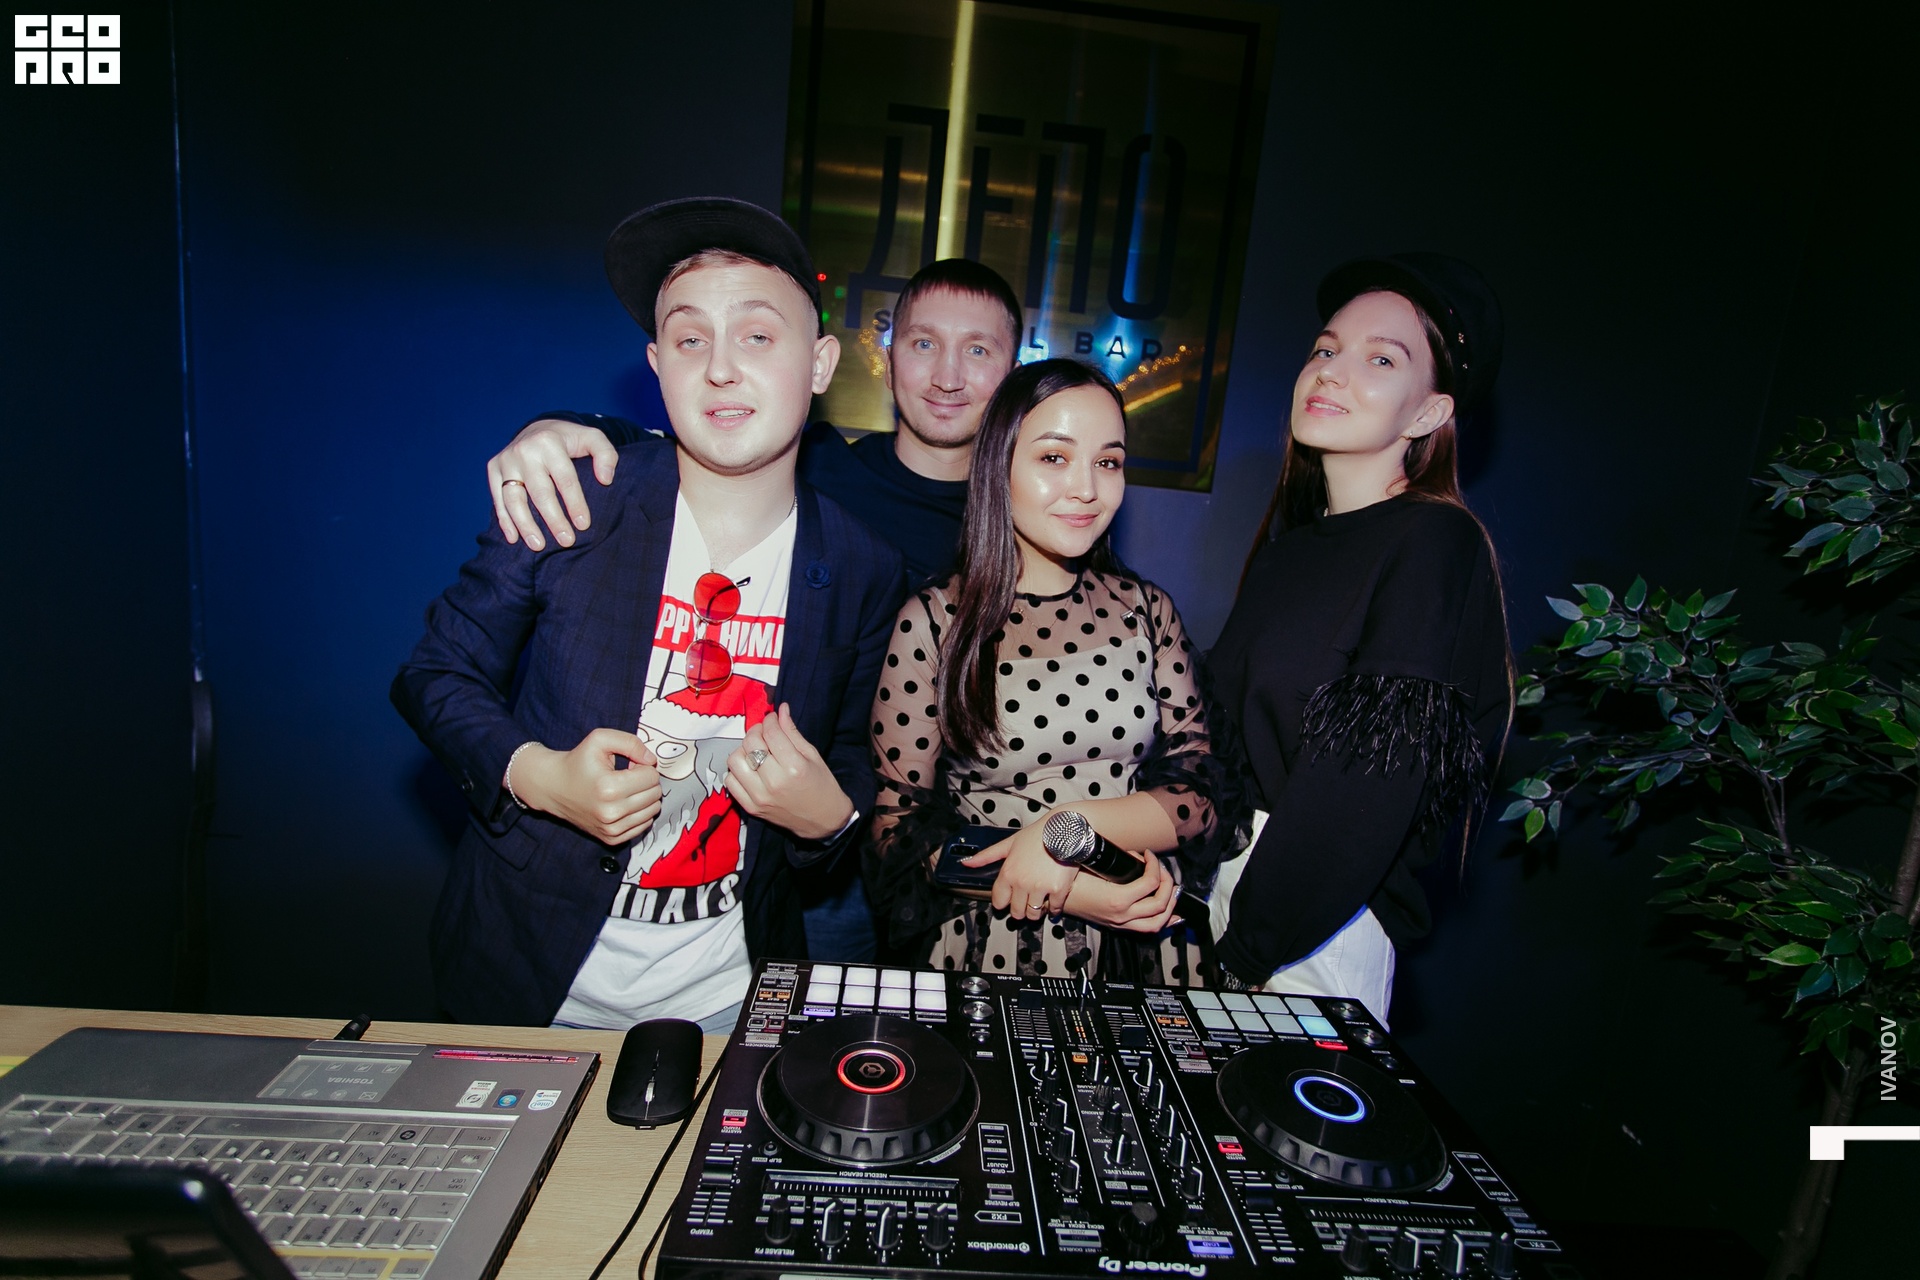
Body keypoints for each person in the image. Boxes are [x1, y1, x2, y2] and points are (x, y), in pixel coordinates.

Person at [391, 196, 905, 1030]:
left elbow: (847, 752)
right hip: (526, 977)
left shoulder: (862, 566)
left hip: (732, 998)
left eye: (758, 335)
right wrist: (538, 776)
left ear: (818, 365)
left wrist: (832, 820)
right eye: (690, 339)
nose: (721, 368)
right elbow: (435, 672)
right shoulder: (574, 499)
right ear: (657, 365)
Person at [474, 258, 1027, 963]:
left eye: (977, 349)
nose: (947, 375)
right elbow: (684, 443)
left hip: (933, 843)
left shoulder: (1024, 523)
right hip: (780, 847)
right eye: (924, 343)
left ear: (1012, 370)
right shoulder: (818, 464)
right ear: (886, 360)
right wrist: (554, 429)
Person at [1205, 253, 1513, 1026]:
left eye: (1381, 359)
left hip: (1315, 930)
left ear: (1427, 414)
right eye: (1326, 348)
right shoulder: (1290, 549)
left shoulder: (1434, 541)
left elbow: (1367, 780)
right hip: (1236, 899)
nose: (1332, 371)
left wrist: (1251, 943)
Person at [865, 358, 1221, 980]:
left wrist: (1066, 830)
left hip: (1143, 934)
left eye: (1108, 462)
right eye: (1054, 457)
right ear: (998, 467)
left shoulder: (1146, 611)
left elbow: (1201, 793)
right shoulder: (936, 621)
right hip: (999, 939)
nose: (1087, 488)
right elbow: (899, 830)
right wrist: (1071, 889)